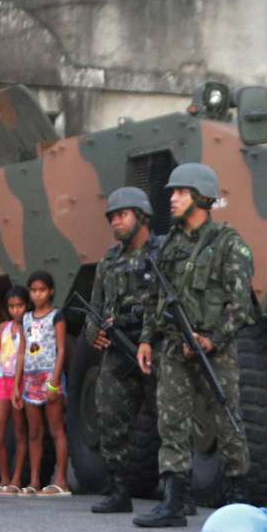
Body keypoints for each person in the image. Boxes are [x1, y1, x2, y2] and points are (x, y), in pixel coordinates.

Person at [134, 163, 255, 528]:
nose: (172, 199)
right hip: (174, 347)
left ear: (202, 197)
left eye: (180, 192)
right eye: (172, 192)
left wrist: (211, 340)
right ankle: (174, 501)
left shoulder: (228, 244)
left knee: (226, 419)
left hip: (214, 349)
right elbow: (156, 296)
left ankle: (238, 498)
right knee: (171, 421)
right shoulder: (169, 244)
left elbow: (241, 305)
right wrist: (146, 339)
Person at [86, 187, 164, 515]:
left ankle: (178, 492)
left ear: (141, 216)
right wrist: (94, 332)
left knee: (171, 421)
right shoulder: (109, 261)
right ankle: (118, 490)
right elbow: (95, 305)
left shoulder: (162, 253)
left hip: (156, 346)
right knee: (109, 416)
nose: (115, 222)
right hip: (118, 350)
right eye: (112, 218)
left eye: (122, 215)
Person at [22, 271, 71, 497]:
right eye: (33, 290)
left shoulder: (56, 316)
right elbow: (23, 351)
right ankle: (34, 481)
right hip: (30, 378)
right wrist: (18, 383)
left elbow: (61, 349)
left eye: (42, 290)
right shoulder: (26, 318)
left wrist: (54, 382)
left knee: (56, 429)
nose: (37, 294)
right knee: (34, 432)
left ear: (50, 291)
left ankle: (61, 481)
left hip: (49, 377)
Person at [0, 287, 29, 496]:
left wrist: (17, 386)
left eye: (19, 306)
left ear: (26, 306)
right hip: (2, 380)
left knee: (20, 431)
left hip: (19, 382)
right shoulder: (4, 327)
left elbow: (22, 356)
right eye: (11, 306)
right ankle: (3, 478)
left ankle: (16, 479)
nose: (15, 310)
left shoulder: (28, 328)